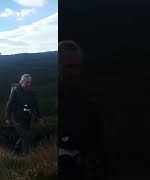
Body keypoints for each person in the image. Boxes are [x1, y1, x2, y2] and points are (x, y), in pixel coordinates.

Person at [59, 41, 105, 180]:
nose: (75, 72)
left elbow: (96, 133)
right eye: (70, 67)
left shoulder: (85, 95)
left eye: (78, 67)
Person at [6, 74, 45, 154]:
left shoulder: (31, 93)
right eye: (27, 82)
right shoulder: (15, 92)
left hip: (27, 119)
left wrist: (39, 118)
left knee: (24, 136)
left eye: (30, 83)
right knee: (26, 136)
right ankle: (25, 156)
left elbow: (36, 106)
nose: (28, 84)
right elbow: (9, 106)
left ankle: (15, 151)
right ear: (21, 82)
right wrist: (8, 118)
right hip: (16, 118)